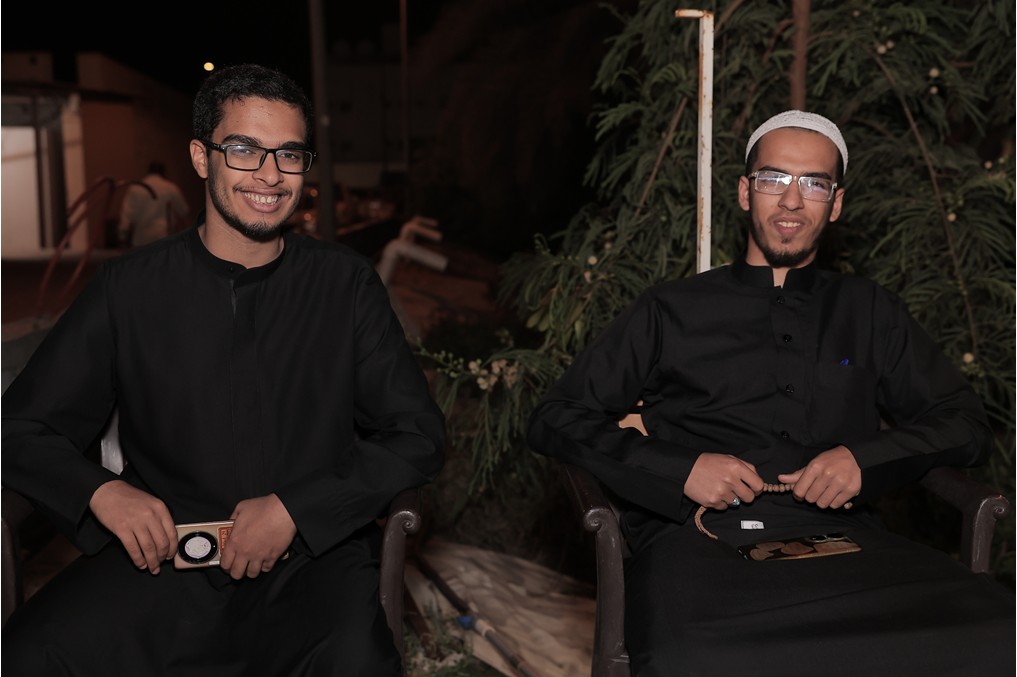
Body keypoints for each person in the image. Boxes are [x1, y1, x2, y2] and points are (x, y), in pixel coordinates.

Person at [527, 110, 1014, 675]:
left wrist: (865, 459)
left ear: (835, 204)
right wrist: (680, 470)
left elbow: (965, 424)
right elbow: (555, 417)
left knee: (1000, 633)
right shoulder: (669, 309)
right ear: (744, 191)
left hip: (849, 545)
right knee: (694, 659)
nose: (791, 200)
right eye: (773, 178)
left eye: (814, 184)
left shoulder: (870, 311)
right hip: (700, 546)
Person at [2, 64, 445, 676]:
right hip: (163, 559)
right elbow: (20, 427)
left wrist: (293, 509)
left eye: (289, 154)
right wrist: (101, 491)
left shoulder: (345, 286)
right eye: (244, 149)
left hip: (311, 560)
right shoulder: (128, 289)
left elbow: (416, 434)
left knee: (356, 662)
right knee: (28, 655)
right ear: (200, 157)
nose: (270, 174)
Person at [117, 160, 191, 247]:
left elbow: (127, 214)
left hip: (141, 238)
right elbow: (183, 213)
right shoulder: (171, 188)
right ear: (164, 172)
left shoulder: (135, 188)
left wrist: (122, 236)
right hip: (164, 236)